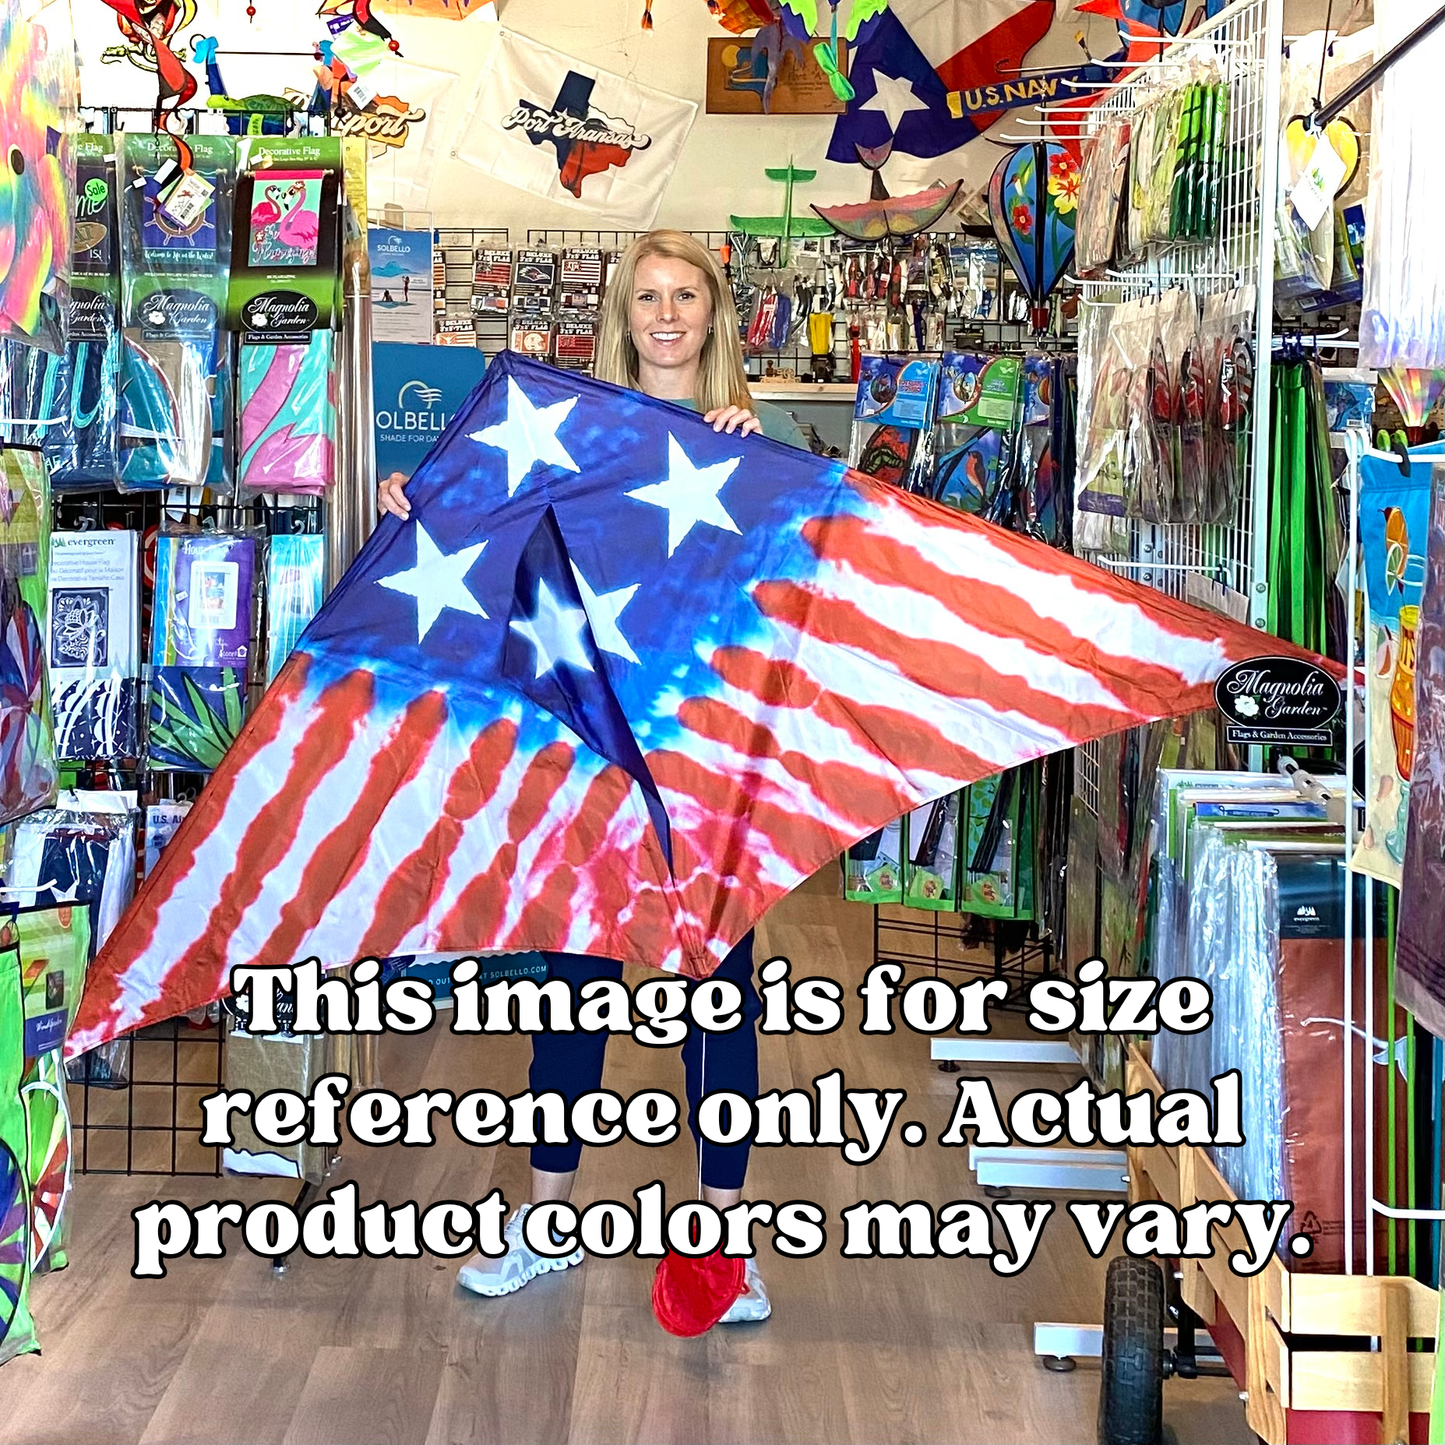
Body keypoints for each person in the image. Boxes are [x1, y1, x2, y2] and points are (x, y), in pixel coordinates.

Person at [377, 231, 809, 1323]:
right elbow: (491, 528)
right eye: (647, 296)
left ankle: (723, 1248)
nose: (666, 313)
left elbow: (797, 584)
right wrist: (417, 499)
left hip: (703, 766)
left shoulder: (752, 445)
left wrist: (753, 465)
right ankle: (546, 1221)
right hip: (590, 755)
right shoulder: (571, 440)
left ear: (714, 313)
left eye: (685, 295)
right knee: (569, 981)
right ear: (622, 314)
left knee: (722, 996)